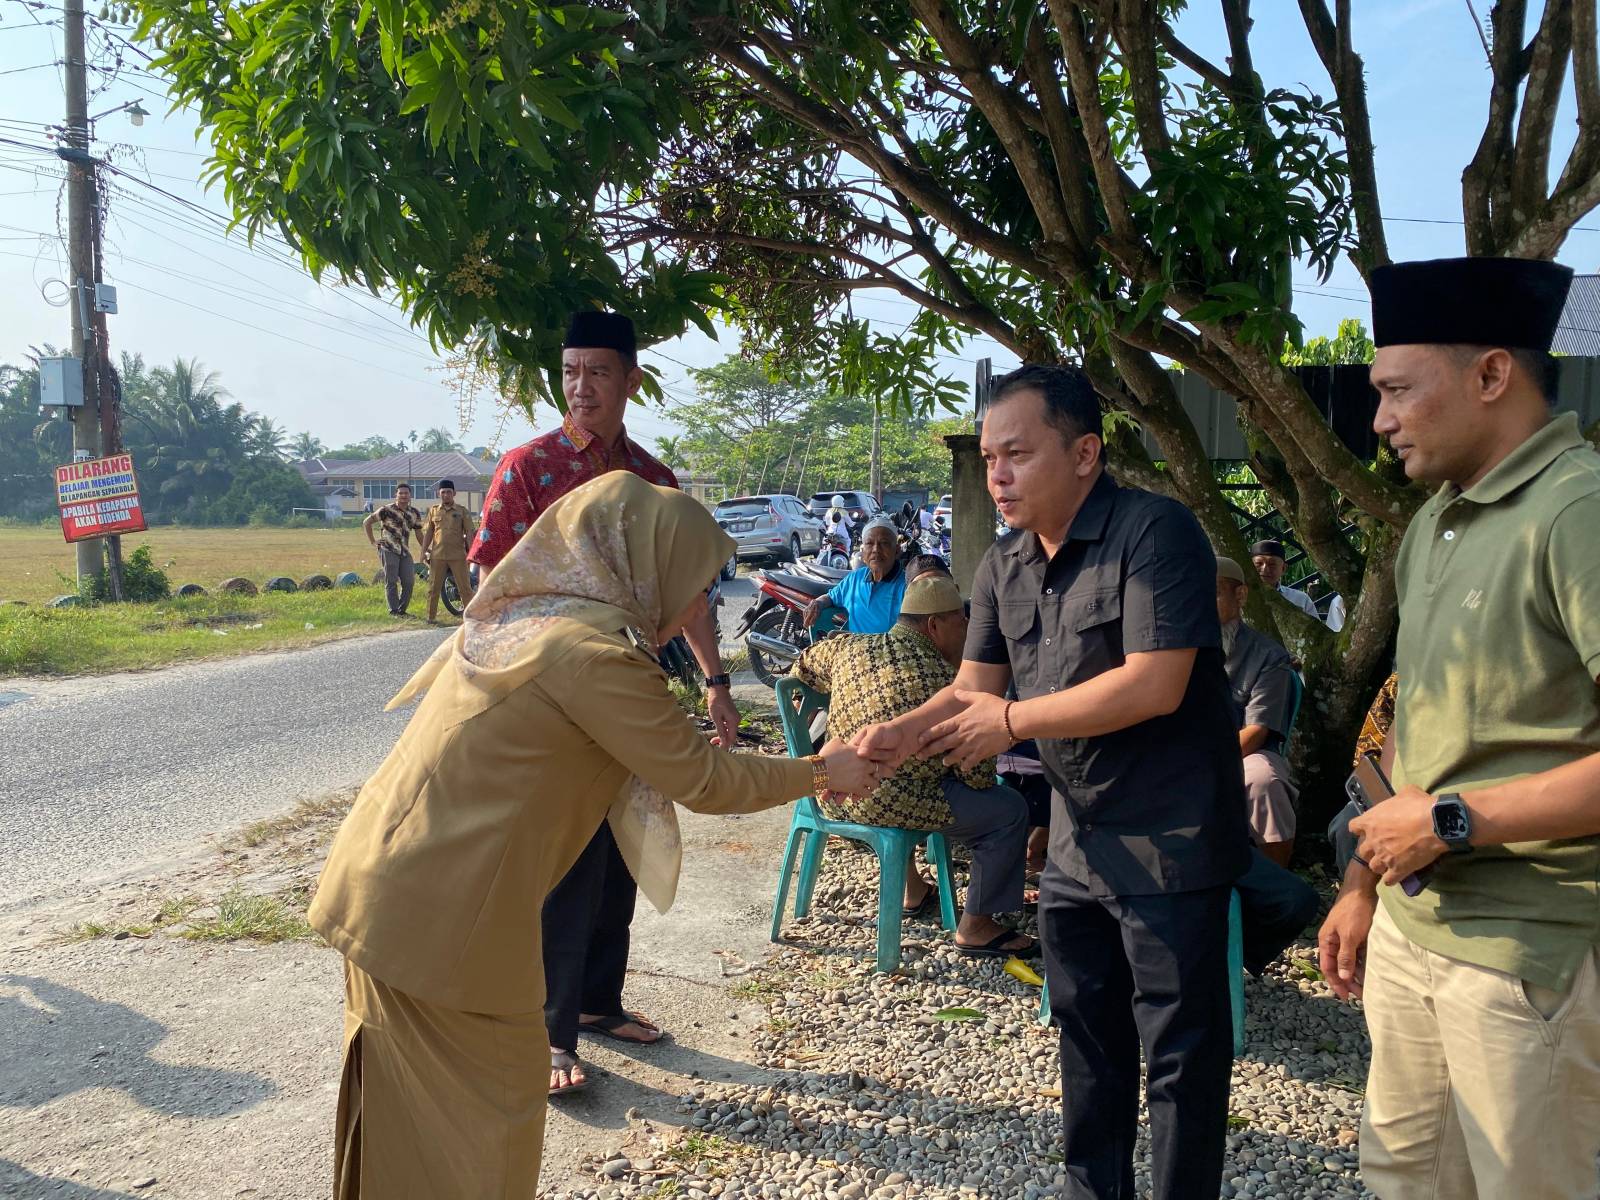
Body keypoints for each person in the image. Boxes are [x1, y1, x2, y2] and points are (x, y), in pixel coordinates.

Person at [308, 473, 879, 1198]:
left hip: (389, 890)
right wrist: (823, 769)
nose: (701, 607)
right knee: (481, 1126)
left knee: (406, 1125)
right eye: (696, 586)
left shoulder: (533, 620)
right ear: (643, 567)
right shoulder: (591, 656)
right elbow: (705, 779)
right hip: (440, 920)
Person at [853, 363, 1250, 1200]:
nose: (998, 476)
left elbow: (1155, 683)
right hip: (1076, 838)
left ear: (1084, 454)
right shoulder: (1003, 564)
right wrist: (900, 734)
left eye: (1017, 454)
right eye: (989, 458)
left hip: (1171, 834)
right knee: (1087, 1036)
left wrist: (1013, 723)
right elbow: (973, 687)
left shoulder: (1155, 533)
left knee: (1180, 1054)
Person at [1313, 256, 1600, 1200]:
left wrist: (1449, 822)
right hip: (1413, 929)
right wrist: (1364, 879)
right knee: (1405, 1179)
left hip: (1530, 952)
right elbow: (1416, 718)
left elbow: (1442, 802)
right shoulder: (1435, 521)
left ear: (1491, 375)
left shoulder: (1578, 511)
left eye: (1397, 390)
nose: (1379, 419)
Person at [791, 573, 1035, 957]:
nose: (967, 632)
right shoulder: (949, 684)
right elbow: (978, 776)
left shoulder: (849, 646)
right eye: (962, 623)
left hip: (833, 793)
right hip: (892, 804)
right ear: (934, 626)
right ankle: (977, 926)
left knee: (912, 785)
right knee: (1008, 811)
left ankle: (913, 889)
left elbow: (802, 665)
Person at [1215, 556, 1300, 866]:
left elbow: (1256, 731)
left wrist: (1204, 764)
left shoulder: (1268, 656)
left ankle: (1276, 882)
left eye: (1212, 593)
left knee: (1264, 782)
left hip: (1243, 752)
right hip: (1180, 750)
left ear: (1240, 595)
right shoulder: (1174, 647)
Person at [803, 516, 906, 634]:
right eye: (869, 543)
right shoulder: (855, 578)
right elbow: (831, 597)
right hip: (854, 645)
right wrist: (817, 602)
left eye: (884, 543)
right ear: (863, 552)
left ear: (897, 550)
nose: (876, 549)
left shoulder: (907, 586)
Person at [420, 478, 476, 624]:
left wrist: (471, 553)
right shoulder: (433, 511)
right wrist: (423, 552)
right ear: (439, 493)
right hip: (437, 555)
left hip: (458, 556)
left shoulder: (462, 511)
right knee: (433, 588)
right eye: (443, 492)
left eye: (449, 492)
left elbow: (469, 533)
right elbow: (428, 533)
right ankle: (431, 618)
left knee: (465, 588)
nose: (446, 495)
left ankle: (470, 618)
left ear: (454, 493)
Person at [363, 482, 424, 616]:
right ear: (395, 495)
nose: (403, 496)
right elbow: (367, 522)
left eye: (406, 493)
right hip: (388, 549)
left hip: (404, 551)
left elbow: (419, 533)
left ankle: (402, 610)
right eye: (400, 493)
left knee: (409, 581)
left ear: (410, 495)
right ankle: (394, 611)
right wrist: (373, 541)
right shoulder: (386, 510)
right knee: (391, 581)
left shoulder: (414, 513)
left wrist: (425, 549)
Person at [1248, 538, 1320, 619]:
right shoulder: (1241, 597)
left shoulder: (1301, 599)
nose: (1265, 569)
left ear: (1283, 568)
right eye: (1259, 563)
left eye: (1272, 564)